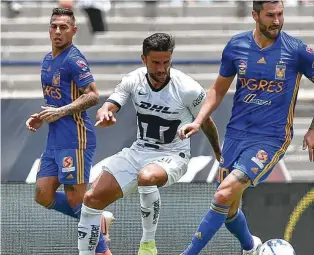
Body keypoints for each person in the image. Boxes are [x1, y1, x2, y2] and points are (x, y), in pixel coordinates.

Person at [178, 1, 314, 254]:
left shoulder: (297, 50)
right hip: (236, 134)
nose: (277, 21)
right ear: (255, 15)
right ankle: (251, 247)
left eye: (280, 14)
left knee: (222, 194)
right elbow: (218, 89)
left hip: (271, 138)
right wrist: (198, 121)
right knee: (228, 208)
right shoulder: (236, 45)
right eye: (270, 15)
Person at [77, 32, 222, 255]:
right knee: (90, 199)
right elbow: (110, 105)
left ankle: (147, 246)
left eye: (166, 62)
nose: (162, 68)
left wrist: (218, 154)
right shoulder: (133, 80)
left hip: (173, 155)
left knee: (147, 176)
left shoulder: (187, 88)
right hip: (139, 150)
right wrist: (106, 114)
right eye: (155, 62)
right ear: (144, 59)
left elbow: (207, 122)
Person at [25, 8, 113, 255]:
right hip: (54, 137)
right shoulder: (47, 59)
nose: (58, 31)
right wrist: (42, 116)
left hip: (76, 138)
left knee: (76, 199)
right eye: (54, 26)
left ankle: (102, 249)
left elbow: (93, 95)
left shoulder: (75, 60)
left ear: (74, 31)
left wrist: (61, 111)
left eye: (64, 27)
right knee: (43, 195)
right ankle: (99, 218)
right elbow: (56, 100)